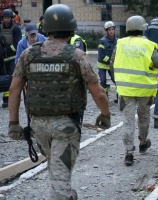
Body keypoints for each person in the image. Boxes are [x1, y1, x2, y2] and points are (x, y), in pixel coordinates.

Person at [8, 4, 111, 199]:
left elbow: (14, 89)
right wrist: (105, 115)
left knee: (56, 171)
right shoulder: (76, 55)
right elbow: (98, 93)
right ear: (71, 28)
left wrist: (13, 123)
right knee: (60, 178)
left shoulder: (28, 54)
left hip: (38, 126)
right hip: (66, 127)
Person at [111, 15, 158, 166]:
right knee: (143, 117)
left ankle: (128, 153)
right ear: (142, 28)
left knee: (127, 121)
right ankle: (143, 143)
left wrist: (118, 81)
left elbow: (112, 63)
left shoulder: (120, 43)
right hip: (145, 90)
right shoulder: (149, 45)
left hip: (125, 90)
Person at [0, 9, 22, 108]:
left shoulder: (16, 29)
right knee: (3, 77)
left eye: (8, 18)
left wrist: (6, 50)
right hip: (1, 57)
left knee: (10, 77)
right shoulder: (0, 27)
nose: (6, 20)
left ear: (12, 18)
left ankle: (8, 99)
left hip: (11, 57)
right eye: (5, 18)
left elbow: (17, 44)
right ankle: (5, 98)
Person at [98, 21, 118, 98]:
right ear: (106, 31)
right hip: (102, 65)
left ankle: (118, 96)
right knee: (103, 81)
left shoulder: (118, 41)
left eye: (112, 29)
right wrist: (109, 60)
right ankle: (105, 97)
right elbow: (101, 55)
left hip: (112, 65)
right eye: (109, 30)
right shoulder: (102, 41)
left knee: (115, 80)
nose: (111, 31)